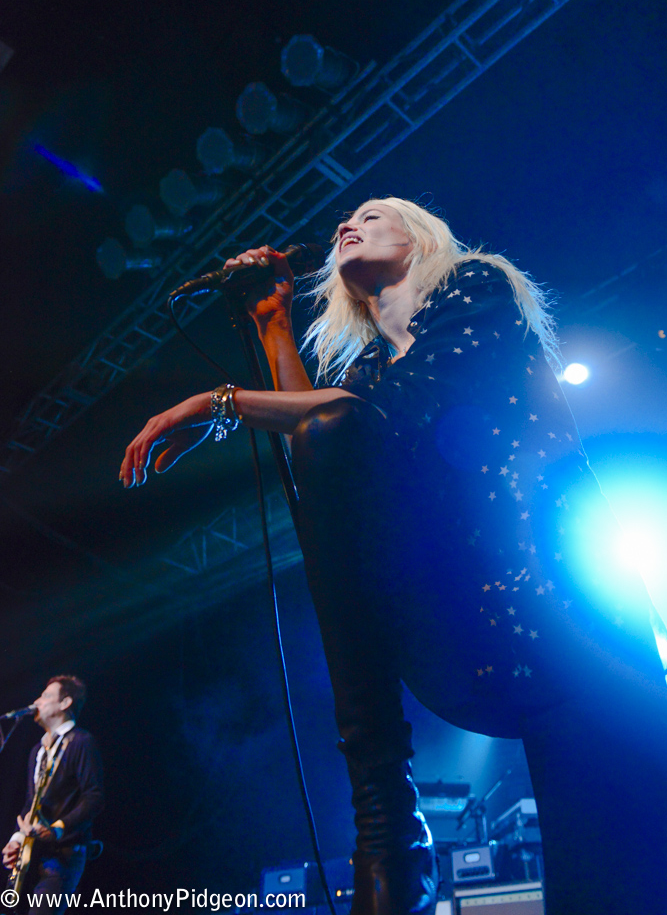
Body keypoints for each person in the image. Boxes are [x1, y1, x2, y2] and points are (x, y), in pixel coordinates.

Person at [120, 198, 667, 915]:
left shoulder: (477, 290)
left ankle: (387, 820)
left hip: (576, 630)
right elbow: (323, 445)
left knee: (621, 873)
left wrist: (217, 402)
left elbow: (389, 415)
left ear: (420, 237)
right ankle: (380, 804)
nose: (349, 224)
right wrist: (273, 326)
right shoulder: (371, 371)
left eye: (372, 215)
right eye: (345, 220)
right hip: (485, 642)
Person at [2, 676, 104, 914]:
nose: (37, 701)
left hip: (63, 856)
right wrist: (17, 839)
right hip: (32, 853)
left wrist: (59, 826)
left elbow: (94, 796)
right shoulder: (38, 750)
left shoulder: (81, 742)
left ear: (65, 702)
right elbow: (32, 803)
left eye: (46, 696)